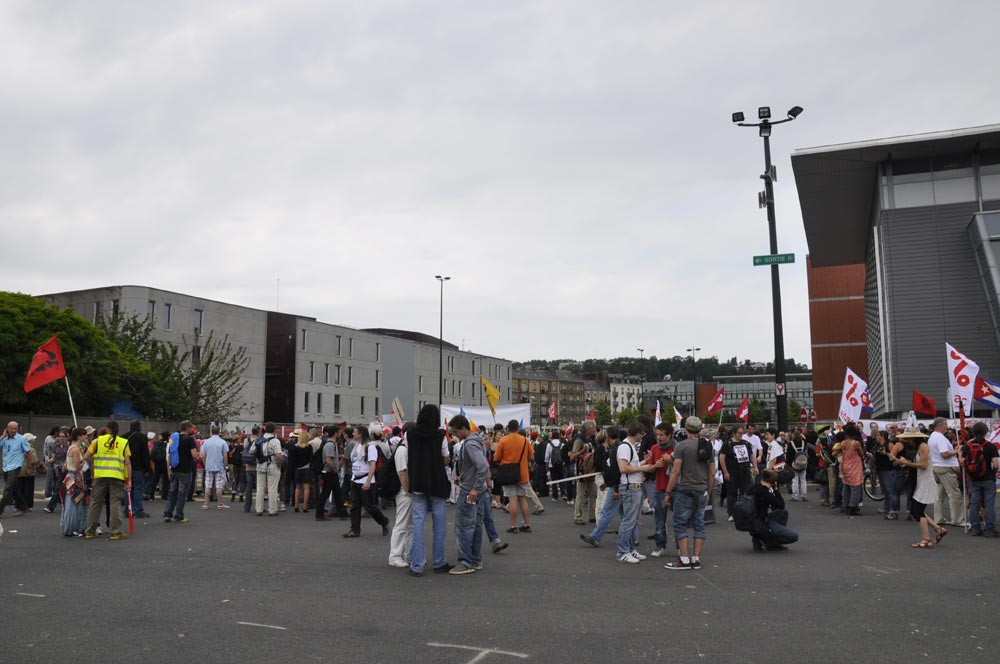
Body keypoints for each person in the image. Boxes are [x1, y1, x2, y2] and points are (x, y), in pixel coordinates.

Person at [405, 405, 452, 575]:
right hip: (437, 482)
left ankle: (417, 564)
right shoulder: (440, 435)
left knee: (418, 523)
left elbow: (408, 456)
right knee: (439, 525)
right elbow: (446, 458)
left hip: (417, 482)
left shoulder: (409, 434)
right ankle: (439, 562)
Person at [664, 417, 715, 571]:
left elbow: (676, 471)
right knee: (699, 524)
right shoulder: (708, 446)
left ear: (685, 427)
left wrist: (667, 491)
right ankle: (696, 558)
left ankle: (684, 560)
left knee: (680, 524)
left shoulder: (682, 446)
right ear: (700, 429)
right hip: (701, 490)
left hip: (685, 489)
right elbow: (712, 472)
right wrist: (708, 490)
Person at [611, 420, 660, 564]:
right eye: (642, 434)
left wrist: (644, 462)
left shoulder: (628, 446)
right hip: (630, 487)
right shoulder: (626, 447)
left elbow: (631, 466)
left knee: (633, 520)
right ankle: (622, 551)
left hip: (634, 486)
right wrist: (643, 468)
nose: (642, 437)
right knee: (629, 520)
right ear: (638, 434)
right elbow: (624, 468)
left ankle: (629, 549)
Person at [890, 426, 946, 548]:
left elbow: (923, 465)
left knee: (917, 511)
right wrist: (907, 461)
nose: (908, 441)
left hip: (925, 482)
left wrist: (905, 462)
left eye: (909, 439)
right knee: (917, 510)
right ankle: (938, 529)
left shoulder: (923, 447)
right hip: (922, 481)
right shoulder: (920, 447)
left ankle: (927, 539)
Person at [449, 415, 490, 575]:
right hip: (477, 489)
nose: (455, 434)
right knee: (476, 525)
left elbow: (482, 467)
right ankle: (475, 559)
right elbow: (480, 467)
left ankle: (465, 562)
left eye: (456, 431)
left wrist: (473, 487)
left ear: (463, 429)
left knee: (464, 526)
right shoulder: (478, 441)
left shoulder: (470, 444)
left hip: (470, 491)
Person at [83, 421, 132, 540]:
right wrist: (129, 480)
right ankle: (115, 531)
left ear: (107, 429)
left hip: (100, 476)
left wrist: (95, 460)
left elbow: (86, 456)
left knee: (96, 503)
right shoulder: (123, 442)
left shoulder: (97, 441)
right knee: (115, 503)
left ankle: (90, 531)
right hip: (117, 476)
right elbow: (127, 463)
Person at [343, 424, 390, 537]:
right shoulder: (356, 445)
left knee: (370, 507)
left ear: (360, 434)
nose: (353, 434)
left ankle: (384, 521)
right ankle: (355, 530)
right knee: (355, 506)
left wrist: (368, 481)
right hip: (355, 480)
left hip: (366, 480)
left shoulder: (370, 447)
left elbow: (373, 465)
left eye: (355, 432)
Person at [495, 420, 534, 533]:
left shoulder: (503, 440)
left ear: (508, 429)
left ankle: (514, 526)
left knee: (512, 500)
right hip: (522, 474)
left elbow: (496, 457)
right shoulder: (525, 440)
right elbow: (531, 456)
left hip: (508, 475)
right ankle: (527, 524)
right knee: (522, 499)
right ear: (518, 428)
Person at [963, 422, 999, 537]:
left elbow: (963, 461)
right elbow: (996, 464)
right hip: (988, 478)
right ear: (985, 432)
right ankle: (989, 528)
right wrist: (992, 471)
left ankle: (975, 528)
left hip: (974, 478)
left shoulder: (968, 446)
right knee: (989, 504)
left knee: (974, 503)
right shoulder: (990, 446)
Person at [750, 469, 799, 551]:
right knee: (793, 536)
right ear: (773, 481)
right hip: (762, 522)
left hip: (753, 519)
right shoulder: (765, 493)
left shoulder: (755, 487)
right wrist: (776, 490)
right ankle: (769, 542)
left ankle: (760, 538)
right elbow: (781, 505)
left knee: (783, 513)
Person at [928, 417, 964, 527]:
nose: (947, 427)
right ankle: (957, 519)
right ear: (940, 426)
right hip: (945, 468)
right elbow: (944, 454)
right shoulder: (939, 438)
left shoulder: (933, 437)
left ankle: (938, 517)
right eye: (945, 425)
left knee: (939, 495)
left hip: (937, 467)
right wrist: (956, 451)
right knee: (954, 494)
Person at [164, 421, 199, 523]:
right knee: (182, 494)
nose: (192, 429)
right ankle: (179, 515)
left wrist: (168, 469)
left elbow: (169, 454)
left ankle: (167, 514)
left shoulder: (173, 438)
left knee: (172, 492)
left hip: (174, 468)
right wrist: (199, 454)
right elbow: (193, 455)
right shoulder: (190, 440)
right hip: (185, 470)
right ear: (187, 428)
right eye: (191, 427)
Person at [649, 422, 674, 557]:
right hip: (659, 487)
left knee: (678, 520)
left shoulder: (678, 448)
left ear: (670, 435)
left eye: (662, 435)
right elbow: (650, 468)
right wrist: (654, 465)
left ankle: (680, 547)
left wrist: (671, 460)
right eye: (657, 434)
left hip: (676, 488)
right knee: (659, 520)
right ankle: (660, 545)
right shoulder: (654, 448)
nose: (659, 437)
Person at [720, 425, 754, 522]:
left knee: (745, 492)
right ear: (734, 433)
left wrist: (755, 467)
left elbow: (751, 456)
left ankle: (744, 512)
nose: (741, 435)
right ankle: (731, 513)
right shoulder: (728, 444)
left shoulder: (746, 443)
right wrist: (725, 472)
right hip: (732, 472)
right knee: (732, 493)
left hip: (745, 471)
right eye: (739, 433)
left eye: (742, 433)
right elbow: (722, 458)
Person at [387, 434, 411, 567]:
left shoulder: (405, 448)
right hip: (404, 491)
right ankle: (395, 556)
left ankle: (408, 554)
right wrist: (407, 490)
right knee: (402, 523)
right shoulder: (402, 450)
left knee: (409, 525)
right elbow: (402, 473)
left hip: (407, 491)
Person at [59, 427, 88, 536]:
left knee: (73, 502)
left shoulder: (73, 447)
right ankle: (70, 527)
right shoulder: (75, 449)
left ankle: (71, 527)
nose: (86, 437)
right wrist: (84, 459)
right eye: (84, 435)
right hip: (75, 477)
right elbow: (77, 466)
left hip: (73, 477)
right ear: (79, 436)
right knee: (74, 503)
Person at [569, 421, 599, 525]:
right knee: (580, 494)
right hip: (581, 469)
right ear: (588, 430)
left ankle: (592, 515)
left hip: (590, 469)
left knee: (593, 494)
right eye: (593, 428)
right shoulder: (579, 440)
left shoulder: (592, 439)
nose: (595, 430)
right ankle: (578, 516)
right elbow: (573, 456)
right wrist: (582, 451)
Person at [0, 421, 32, 517]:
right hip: (6, 467)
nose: (14, 430)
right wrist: (3, 435)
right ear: (7, 429)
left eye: (15, 428)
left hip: (15, 466)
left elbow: (28, 452)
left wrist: (28, 466)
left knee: (7, 489)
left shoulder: (22, 439)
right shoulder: (4, 438)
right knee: (14, 489)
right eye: (12, 428)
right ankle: (23, 506)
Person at [316, 425, 347, 520]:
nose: (340, 434)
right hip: (330, 473)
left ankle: (342, 513)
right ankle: (320, 514)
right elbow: (329, 460)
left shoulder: (331, 444)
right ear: (335, 433)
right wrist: (335, 469)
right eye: (339, 433)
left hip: (329, 473)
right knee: (327, 494)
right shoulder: (330, 444)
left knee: (336, 493)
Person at [254, 423, 284, 517]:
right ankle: (272, 510)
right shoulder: (275, 441)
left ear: (265, 429)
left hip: (260, 466)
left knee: (260, 489)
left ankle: (259, 509)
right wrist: (279, 466)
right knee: (272, 489)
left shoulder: (259, 439)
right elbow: (278, 456)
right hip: (272, 466)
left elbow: (251, 451)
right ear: (274, 430)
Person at [836, 424, 864, 516]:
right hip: (855, 465)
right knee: (855, 487)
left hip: (845, 465)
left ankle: (845, 506)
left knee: (846, 487)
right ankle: (853, 507)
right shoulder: (856, 443)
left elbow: (835, 452)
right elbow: (861, 454)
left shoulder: (843, 443)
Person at [200, 426, 230, 511]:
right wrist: (225, 465)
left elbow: (202, 455)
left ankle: (205, 504)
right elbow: (225, 456)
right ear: (219, 432)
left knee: (208, 486)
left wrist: (205, 464)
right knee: (219, 486)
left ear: (211, 431)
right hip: (219, 466)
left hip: (209, 466)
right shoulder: (222, 442)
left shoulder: (206, 442)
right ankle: (220, 504)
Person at [124, 421, 150, 519]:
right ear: (139, 427)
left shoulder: (123, 437)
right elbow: (145, 454)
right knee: (138, 488)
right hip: (138, 467)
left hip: (125, 466)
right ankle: (138, 510)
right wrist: (147, 468)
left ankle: (127, 510)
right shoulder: (142, 438)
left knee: (128, 488)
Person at [289, 430, 314, 513]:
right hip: (307, 468)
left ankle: (296, 506)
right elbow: (311, 458)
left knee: (297, 487)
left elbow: (293, 459)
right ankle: (304, 507)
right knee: (306, 488)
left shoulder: (295, 447)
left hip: (298, 469)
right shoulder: (309, 447)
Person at [545, 432, 566, 500]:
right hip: (560, 464)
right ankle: (563, 494)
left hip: (552, 464)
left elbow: (547, 456)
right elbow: (563, 455)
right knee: (561, 479)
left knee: (554, 480)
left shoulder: (549, 445)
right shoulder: (562, 444)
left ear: (552, 437)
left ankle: (555, 496)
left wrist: (547, 462)